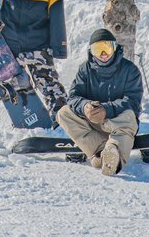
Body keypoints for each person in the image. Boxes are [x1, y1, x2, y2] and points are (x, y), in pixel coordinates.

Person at [56, 28, 143, 175]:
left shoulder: (130, 70)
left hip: (118, 122)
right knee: (63, 113)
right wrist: (85, 107)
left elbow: (132, 102)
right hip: (93, 121)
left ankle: (115, 150)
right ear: (91, 51)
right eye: (98, 49)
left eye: (107, 47)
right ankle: (102, 152)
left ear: (115, 48)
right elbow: (73, 97)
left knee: (129, 115)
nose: (103, 54)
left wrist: (106, 110)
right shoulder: (85, 69)